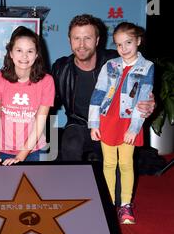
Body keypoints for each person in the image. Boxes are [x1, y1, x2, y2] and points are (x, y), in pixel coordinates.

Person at [51, 14, 155, 161]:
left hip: (110, 122)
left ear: (97, 40)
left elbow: (141, 84)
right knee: (70, 146)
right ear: (69, 40)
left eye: (87, 38)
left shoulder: (115, 62)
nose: (81, 44)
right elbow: (47, 102)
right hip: (78, 124)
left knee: (116, 171)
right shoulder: (61, 68)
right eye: (76, 38)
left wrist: (149, 102)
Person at [88, 22, 154, 224]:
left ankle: (125, 205)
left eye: (128, 43)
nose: (123, 48)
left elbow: (143, 101)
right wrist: (94, 123)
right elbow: (98, 94)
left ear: (138, 41)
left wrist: (134, 128)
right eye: (118, 44)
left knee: (125, 163)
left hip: (128, 123)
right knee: (108, 163)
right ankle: (108, 204)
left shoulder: (147, 67)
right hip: (107, 121)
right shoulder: (110, 65)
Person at [0, 26, 55, 166]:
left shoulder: (46, 81)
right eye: (19, 50)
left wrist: (20, 157)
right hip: (2, 149)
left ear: (36, 55)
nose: (24, 56)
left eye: (30, 51)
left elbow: (39, 124)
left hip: (34, 149)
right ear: (10, 53)